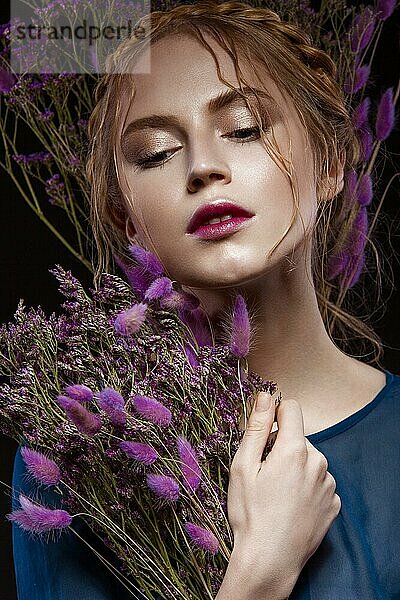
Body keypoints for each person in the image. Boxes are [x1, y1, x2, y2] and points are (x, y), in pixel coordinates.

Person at [12, 1, 400, 599]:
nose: (202, 167)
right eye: (155, 153)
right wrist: (260, 574)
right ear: (126, 220)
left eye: (244, 128)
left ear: (328, 162)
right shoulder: (83, 462)